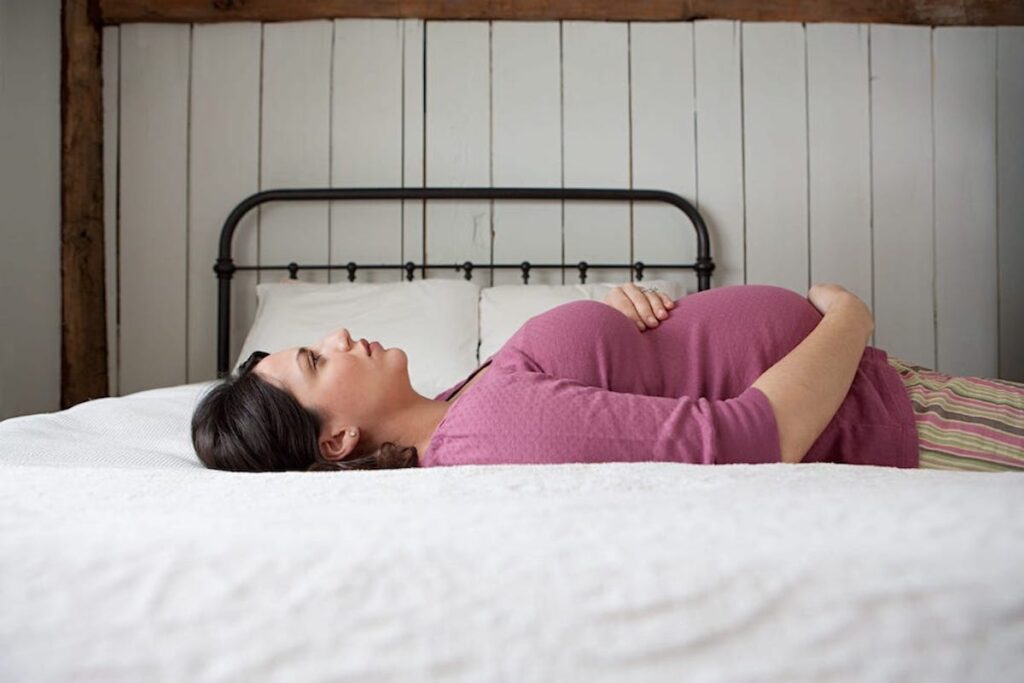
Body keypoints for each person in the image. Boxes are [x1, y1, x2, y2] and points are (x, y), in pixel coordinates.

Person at [191, 282, 1024, 473]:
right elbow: (748, 438)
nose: (336, 336)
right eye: (313, 360)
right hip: (891, 416)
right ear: (335, 438)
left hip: (886, 391)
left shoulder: (461, 406)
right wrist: (847, 314)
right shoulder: (488, 433)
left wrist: (613, 315)